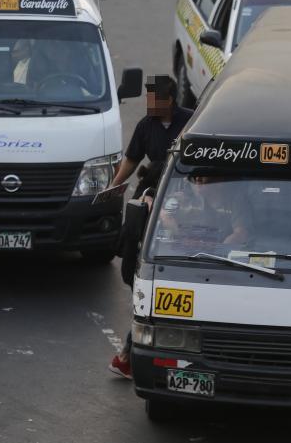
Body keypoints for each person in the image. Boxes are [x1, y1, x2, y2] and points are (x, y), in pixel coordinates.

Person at [107, 74, 193, 380]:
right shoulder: (146, 126)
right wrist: (113, 187)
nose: (150, 104)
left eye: (155, 99)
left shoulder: (190, 123)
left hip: (181, 198)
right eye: (148, 99)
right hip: (154, 198)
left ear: (170, 101)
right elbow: (131, 160)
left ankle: (129, 355)